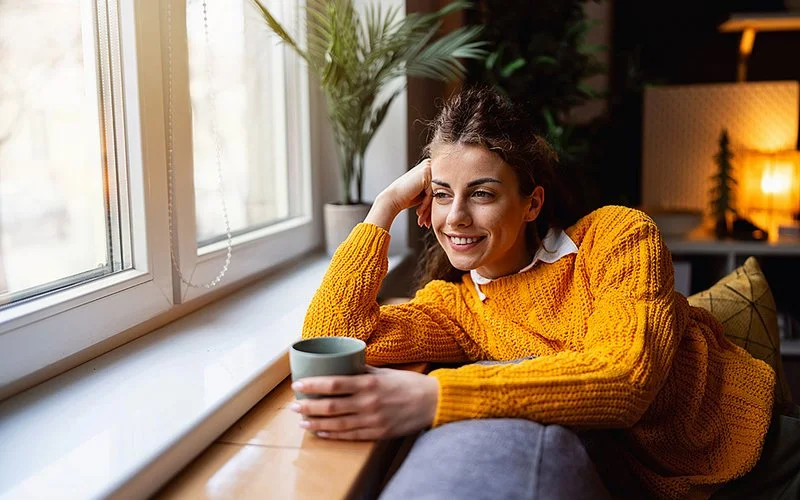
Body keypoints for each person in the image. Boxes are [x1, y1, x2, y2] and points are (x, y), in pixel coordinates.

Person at [288, 87, 786, 499]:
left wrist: (435, 397)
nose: (456, 217)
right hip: (664, 486)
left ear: (532, 203)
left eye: (481, 192)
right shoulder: (457, 309)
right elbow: (333, 335)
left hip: (756, 448)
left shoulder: (618, 237)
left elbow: (626, 377)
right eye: (441, 194)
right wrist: (383, 206)